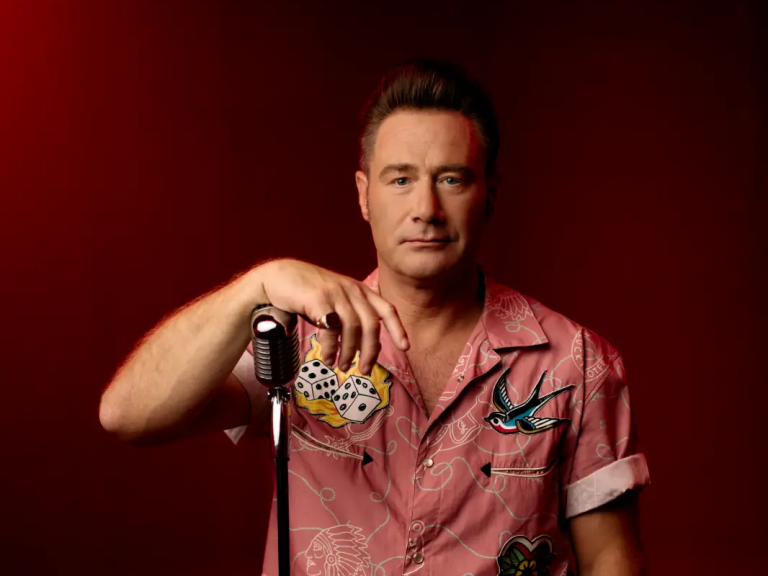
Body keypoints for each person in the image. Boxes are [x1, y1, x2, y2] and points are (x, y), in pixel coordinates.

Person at [100, 58, 650, 576]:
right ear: (364, 195)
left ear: (489, 194)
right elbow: (128, 415)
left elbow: (610, 557)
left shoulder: (576, 363)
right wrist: (258, 284)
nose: (426, 210)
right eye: (401, 179)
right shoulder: (296, 340)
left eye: (452, 179)